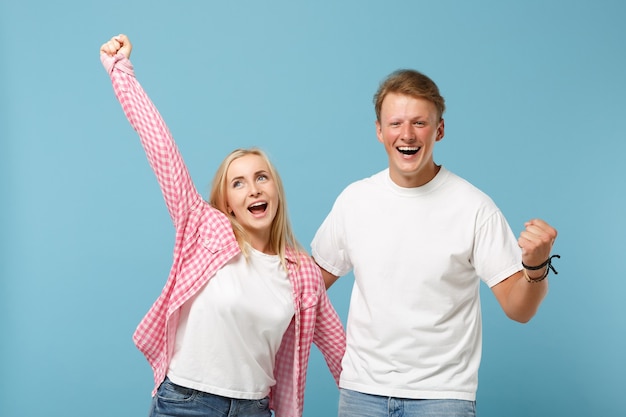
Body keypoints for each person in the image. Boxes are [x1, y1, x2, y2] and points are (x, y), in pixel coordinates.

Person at [99, 34, 346, 417]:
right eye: (239, 183)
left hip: (255, 409)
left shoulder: (302, 274)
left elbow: (341, 351)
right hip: (185, 403)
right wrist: (121, 71)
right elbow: (160, 147)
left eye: (262, 177)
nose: (253, 190)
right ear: (226, 204)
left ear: (276, 190)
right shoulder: (205, 229)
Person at [311, 69, 560, 417]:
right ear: (379, 131)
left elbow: (520, 310)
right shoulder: (355, 201)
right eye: (395, 123)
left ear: (439, 130)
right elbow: (306, 286)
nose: (407, 134)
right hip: (362, 393)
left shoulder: (474, 207)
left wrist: (537, 266)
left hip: (442, 397)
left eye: (419, 123)